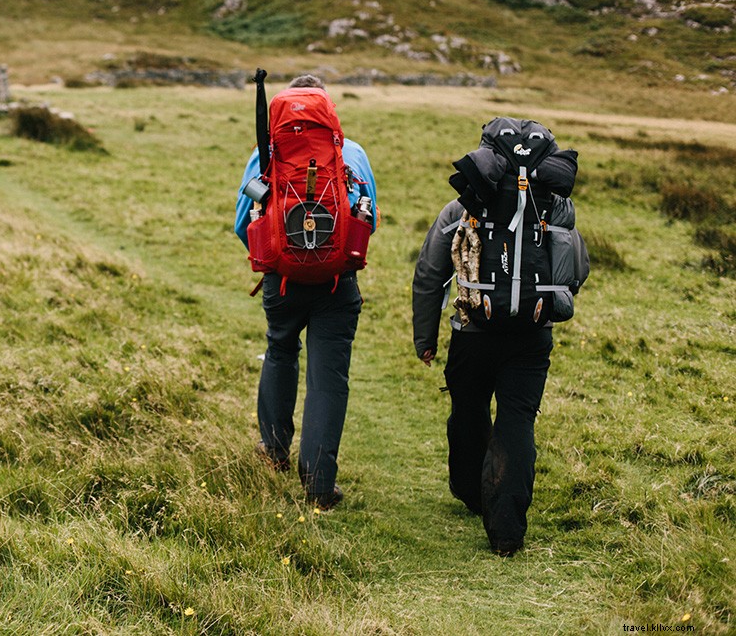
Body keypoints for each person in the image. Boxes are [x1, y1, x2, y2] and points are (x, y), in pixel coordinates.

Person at [411, 117, 580, 557]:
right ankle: (506, 533)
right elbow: (576, 270)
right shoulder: (557, 208)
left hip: (472, 333)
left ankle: (471, 493)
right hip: (531, 336)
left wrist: (424, 337)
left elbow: (430, 274)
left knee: (467, 412)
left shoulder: (462, 208)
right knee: (516, 424)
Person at [234, 74, 377, 510]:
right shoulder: (350, 153)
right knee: (327, 379)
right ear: (328, 109)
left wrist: (278, 258)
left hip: (282, 281)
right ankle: (318, 485)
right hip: (337, 282)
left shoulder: (265, 153)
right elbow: (367, 220)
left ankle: (274, 451)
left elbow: (244, 223)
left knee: (280, 351)